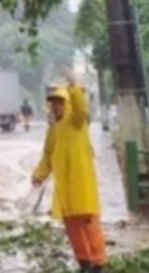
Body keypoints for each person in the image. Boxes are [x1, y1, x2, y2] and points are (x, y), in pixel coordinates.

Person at [32, 77, 107, 273]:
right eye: (54, 103)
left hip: (81, 185)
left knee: (89, 224)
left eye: (60, 102)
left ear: (67, 104)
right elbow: (47, 155)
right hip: (65, 189)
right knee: (73, 228)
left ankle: (98, 263)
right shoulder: (53, 129)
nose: (56, 106)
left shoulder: (76, 122)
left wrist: (73, 88)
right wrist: (38, 175)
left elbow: (81, 109)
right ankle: (84, 262)